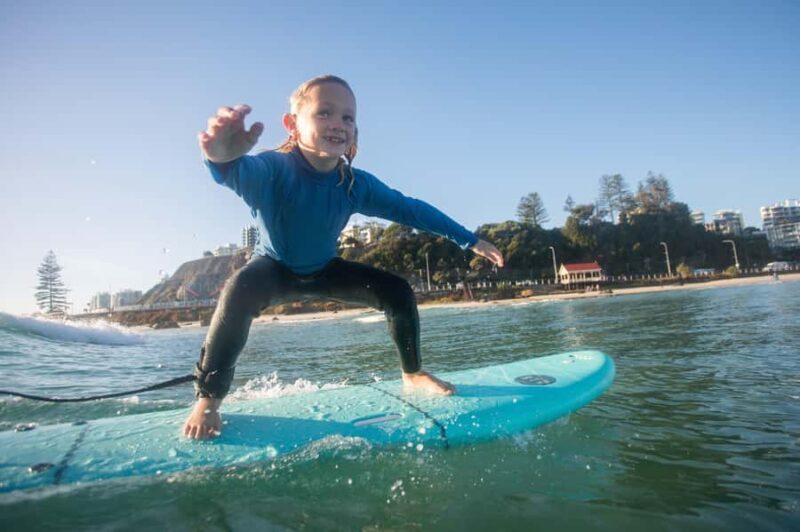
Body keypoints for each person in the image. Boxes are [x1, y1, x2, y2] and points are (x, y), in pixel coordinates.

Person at [183, 75, 504, 439]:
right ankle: (208, 400)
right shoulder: (273, 169)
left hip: (324, 271)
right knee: (239, 288)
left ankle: (412, 373)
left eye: (348, 117)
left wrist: (469, 240)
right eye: (324, 113)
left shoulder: (353, 184)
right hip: (272, 270)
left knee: (396, 291)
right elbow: (234, 169)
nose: (338, 123)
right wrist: (221, 156)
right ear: (292, 124)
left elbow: (410, 210)